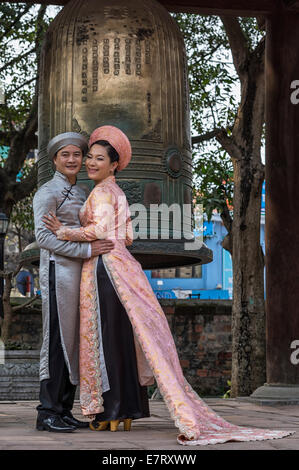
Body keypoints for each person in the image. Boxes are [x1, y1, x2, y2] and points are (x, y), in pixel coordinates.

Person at [43, 126, 293, 445]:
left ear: (114, 164)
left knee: (106, 340)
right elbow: (128, 236)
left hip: (106, 269)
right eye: (89, 157)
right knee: (118, 340)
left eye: (98, 159)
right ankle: (122, 411)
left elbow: (101, 230)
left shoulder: (104, 192)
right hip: (118, 268)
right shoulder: (111, 191)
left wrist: (63, 231)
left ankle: (112, 411)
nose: (90, 163)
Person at [33, 132, 114, 433]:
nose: (71, 160)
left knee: (73, 343)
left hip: (80, 276)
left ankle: (64, 409)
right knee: (56, 343)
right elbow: (43, 238)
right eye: (65, 155)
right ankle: (47, 412)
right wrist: (86, 249)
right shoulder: (47, 192)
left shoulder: (80, 192)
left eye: (76, 155)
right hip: (58, 274)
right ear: (54, 159)